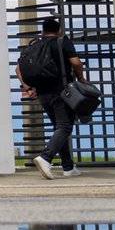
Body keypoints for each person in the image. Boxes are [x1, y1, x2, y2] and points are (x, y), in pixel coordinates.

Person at [19, 17, 87, 179]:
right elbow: (76, 62)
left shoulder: (35, 45)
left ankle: (68, 167)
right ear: (59, 31)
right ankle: (45, 157)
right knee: (64, 127)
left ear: (42, 32)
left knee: (59, 127)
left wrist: (28, 88)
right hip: (62, 92)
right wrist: (81, 78)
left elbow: (18, 69)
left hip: (42, 94)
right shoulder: (62, 42)